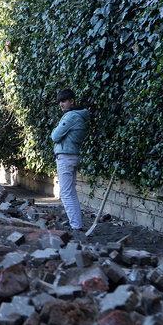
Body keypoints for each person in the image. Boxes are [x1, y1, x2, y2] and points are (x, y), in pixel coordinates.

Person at [51, 88, 91, 232]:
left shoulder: (71, 116)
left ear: (72, 101)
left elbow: (55, 136)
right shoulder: (78, 115)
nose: (61, 104)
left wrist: (55, 131)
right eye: (60, 102)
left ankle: (76, 228)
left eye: (64, 101)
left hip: (66, 157)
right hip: (73, 156)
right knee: (71, 193)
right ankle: (77, 225)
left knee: (66, 194)